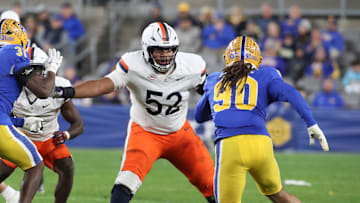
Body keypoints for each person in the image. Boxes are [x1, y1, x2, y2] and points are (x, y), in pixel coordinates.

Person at [52, 22, 215, 203]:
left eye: (169, 50)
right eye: (159, 50)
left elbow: (210, 92)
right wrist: (69, 91)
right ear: (146, 49)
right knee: (125, 185)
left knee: (213, 186)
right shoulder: (133, 64)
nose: (165, 54)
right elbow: (103, 85)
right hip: (145, 133)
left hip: (180, 134)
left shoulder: (192, 65)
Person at [194, 36, 329, 203]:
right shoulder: (267, 74)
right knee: (279, 195)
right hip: (260, 145)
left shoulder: (214, 80)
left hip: (230, 146)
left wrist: (212, 98)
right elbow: (292, 93)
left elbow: (199, 117)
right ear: (258, 58)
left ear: (226, 57)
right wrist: (311, 123)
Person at [0, 46, 84, 203]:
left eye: (35, 69)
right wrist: (23, 123)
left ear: (45, 69)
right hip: (20, 137)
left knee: (67, 167)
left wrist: (66, 134)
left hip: (47, 139)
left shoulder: (60, 85)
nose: (30, 75)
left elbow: (78, 124)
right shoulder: (10, 88)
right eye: (27, 69)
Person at [0, 19, 62, 203]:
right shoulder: (14, 51)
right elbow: (43, 91)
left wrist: (22, 122)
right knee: (35, 165)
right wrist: (51, 70)